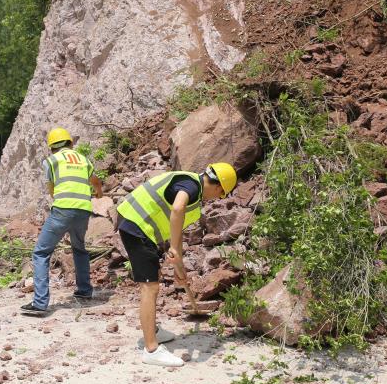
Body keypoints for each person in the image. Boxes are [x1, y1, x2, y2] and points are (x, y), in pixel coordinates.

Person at [116, 162, 237, 367]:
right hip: (136, 225)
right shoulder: (190, 185)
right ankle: (151, 350)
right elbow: (177, 208)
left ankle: (152, 330)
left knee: (153, 278)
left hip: (140, 226)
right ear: (219, 188)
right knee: (149, 286)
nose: (217, 198)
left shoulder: (193, 196)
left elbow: (177, 229)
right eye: (221, 195)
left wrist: (179, 268)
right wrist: (172, 246)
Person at [21, 128, 103, 316]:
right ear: (70, 143)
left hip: (63, 210)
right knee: (79, 249)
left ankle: (40, 303)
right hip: (83, 210)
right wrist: (99, 193)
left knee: (41, 253)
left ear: (51, 148)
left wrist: (60, 198)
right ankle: (84, 290)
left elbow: (52, 190)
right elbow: (96, 181)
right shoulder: (84, 159)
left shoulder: (51, 161)